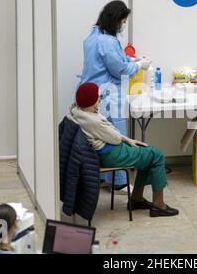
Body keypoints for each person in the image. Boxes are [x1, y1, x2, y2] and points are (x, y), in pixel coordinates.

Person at [70, 83, 179, 217]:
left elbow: (108, 134)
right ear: (92, 102)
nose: (100, 100)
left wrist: (127, 140)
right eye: (99, 98)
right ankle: (159, 205)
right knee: (157, 155)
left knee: (147, 154)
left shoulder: (78, 111)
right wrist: (123, 138)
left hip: (105, 150)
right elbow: (115, 137)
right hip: (110, 154)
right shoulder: (93, 121)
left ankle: (136, 199)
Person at [78, 0, 151, 195]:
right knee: (115, 138)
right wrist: (139, 66)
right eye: (123, 21)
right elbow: (119, 69)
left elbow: (117, 57)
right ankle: (119, 182)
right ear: (116, 20)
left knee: (96, 139)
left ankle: (103, 177)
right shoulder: (108, 42)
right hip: (107, 98)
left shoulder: (93, 36)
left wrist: (133, 59)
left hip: (91, 96)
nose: (124, 25)